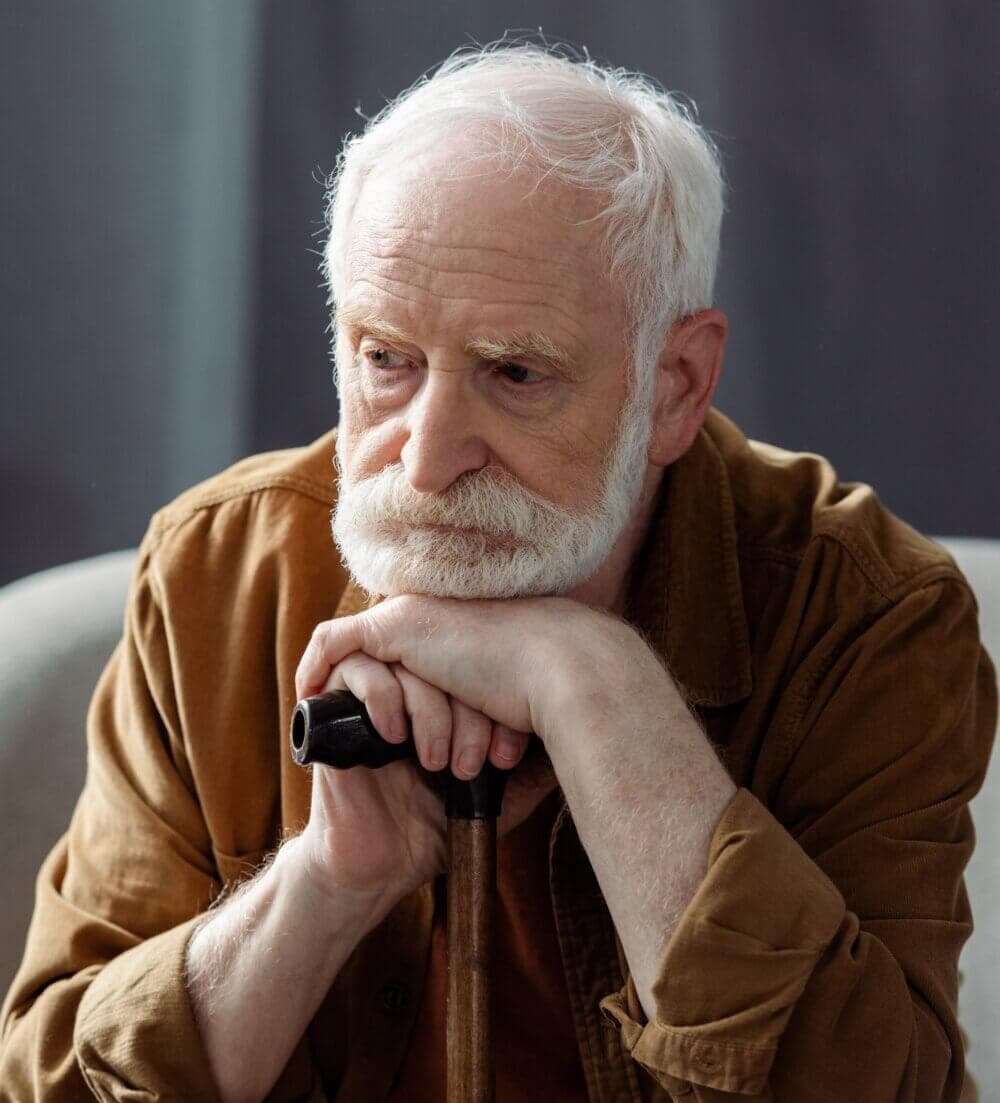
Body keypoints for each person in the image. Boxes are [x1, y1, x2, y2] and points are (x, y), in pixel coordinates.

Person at [1, 42, 996, 1103]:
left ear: (675, 384)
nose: (425, 461)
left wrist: (599, 687)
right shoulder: (216, 572)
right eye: (385, 360)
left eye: (515, 373)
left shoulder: (868, 614)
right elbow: (49, 1084)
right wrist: (326, 882)